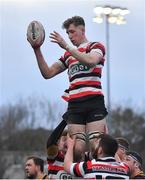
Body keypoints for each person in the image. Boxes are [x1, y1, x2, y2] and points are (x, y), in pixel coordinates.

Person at [27, 15, 108, 161]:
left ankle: (95, 170)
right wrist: (36, 49)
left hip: (94, 101)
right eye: (67, 34)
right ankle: (83, 171)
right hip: (75, 104)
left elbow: (91, 61)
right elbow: (48, 73)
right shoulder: (68, 55)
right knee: (77, 150)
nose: (69, 36)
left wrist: (66, 46)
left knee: (97, 146)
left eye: (72, 32)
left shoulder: (95, 46)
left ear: (82, 30)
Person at [64, 134, 130, 179]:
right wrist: (108, 141)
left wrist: (70, 146)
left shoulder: (89, 166)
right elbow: (116, 157)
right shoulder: (125, 169)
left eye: (97, 144)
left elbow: (67, 166)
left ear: (100, 150)